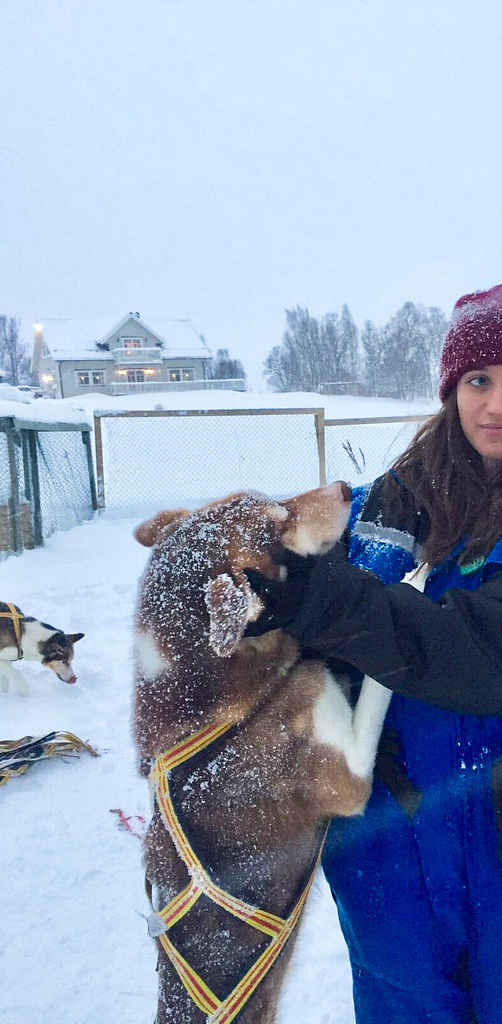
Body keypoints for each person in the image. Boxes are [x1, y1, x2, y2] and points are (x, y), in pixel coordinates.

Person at [245, 283, 502, 1024]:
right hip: (387, 848)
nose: (493, 404)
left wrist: (322, 600)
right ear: (451, 389)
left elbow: (478, 651)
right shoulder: (371, 511)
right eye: (478, 380)